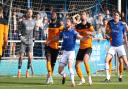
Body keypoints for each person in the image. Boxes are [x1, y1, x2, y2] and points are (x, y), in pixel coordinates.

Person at [105, 11, 128, 82]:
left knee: (125, 62)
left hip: (120, 46)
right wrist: (107, 35)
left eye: (117, 15)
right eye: (114, 15)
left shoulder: (122, 24)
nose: (115, 16)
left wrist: (126, 43)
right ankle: (108, 78)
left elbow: (125, 35)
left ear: (119, 17)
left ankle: (120, 75)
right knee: (106, 60)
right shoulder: (110, 23)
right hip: (112, 46)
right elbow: (107, 32)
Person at [75, 12, 94, 85]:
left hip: (88, 47)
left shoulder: (89, 25)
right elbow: (75, 34)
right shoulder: (78, 26)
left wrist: (89, 33)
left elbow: (94, 33)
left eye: (84, 15)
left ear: (86, 16)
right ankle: (82, 79)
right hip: (81, 47)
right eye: (81, 14)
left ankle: (89, 77)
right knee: (76, 66)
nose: (82, 16)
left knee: (85, 60)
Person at [45, 11, 64, 84]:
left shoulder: (59, 24)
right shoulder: (49, 24)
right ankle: (50, 76)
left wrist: (63, 27)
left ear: (56, 16)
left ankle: (49, 76)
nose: (52, 16)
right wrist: (48, 41)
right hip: (48, 45)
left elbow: (60, 36)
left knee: (52, 64)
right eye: (52, 15)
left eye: (54, 14)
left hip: (55, 47)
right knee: (48, 61)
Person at [17, 8, 36, 78]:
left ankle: (27, 71)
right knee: (21, 56)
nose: (29, 13)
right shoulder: (23, 21)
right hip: (24, 41)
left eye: (31, 12)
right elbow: (18, 30)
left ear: (32, 13)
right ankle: (19, 71)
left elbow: (35, 32)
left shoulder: (34, 21)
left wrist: (34, 41)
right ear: (26, 13)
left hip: (30, 41)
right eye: (28, 12)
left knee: (30, 57)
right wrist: (20, 36)